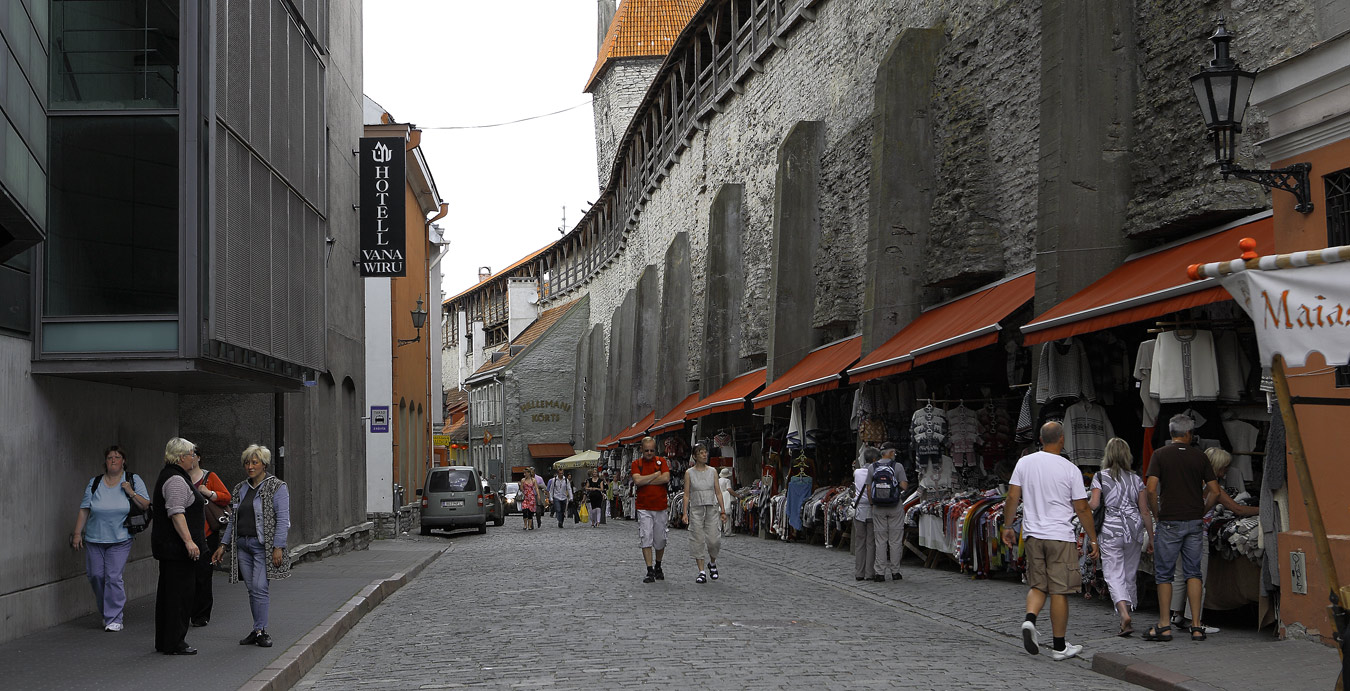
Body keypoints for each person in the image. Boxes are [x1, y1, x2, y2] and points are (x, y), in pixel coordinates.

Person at [1002, 421, 1099, 661]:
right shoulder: (1070, 469)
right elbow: (1082, 508)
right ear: (1062, 439)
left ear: (1041, 439)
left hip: (1033, 534)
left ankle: (1030, 620)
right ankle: (1059, 646)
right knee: (1059, 590)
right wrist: (1093, 539)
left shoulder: (1025, 462)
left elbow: (1013, 496)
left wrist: (1007, 526)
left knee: (1038, 585)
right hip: (1060, 536)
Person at [1145, 414, 1222, 643]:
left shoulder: (1159, 455)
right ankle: (1197, 626)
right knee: (1193, 573)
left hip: (1169, 520)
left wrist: (1157, 512)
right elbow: (1215, 491)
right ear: (1189, 434)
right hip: (1193, 521)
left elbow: (1150, 489)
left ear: (1171, 433)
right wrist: (1202, 509)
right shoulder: (1199, 457)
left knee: (1165, 574)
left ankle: (1164, 625)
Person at [1168, 447, 1259, 634]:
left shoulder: (1188, 481)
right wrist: (1263, 510)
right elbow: (1238, 510)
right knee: (1197, 578)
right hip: (1196, 535)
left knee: (1179, 575)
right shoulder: (1214, 487)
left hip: (1177, 532)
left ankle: (1176, 614)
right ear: (1217, 467)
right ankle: (1195, 621)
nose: (1226, 471)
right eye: (1224, 467)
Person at [212, 444, 291, 649]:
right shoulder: (240, 488)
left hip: (262, 546)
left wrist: (278, 546)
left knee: (259, 588)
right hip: (242, 546)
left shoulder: (277, 487)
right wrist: (223, 545)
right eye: (247, 462)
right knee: (252, 589)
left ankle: (261, 631)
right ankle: (257, 629)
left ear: (264, 464)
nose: (250, 466)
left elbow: (282, 519)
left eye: (255, 462)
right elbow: (233, 520)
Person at [71, 445, 151, 632]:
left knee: (113, 577)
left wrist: (130, 491)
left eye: (117, 457)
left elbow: (146, 504)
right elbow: (85, 509)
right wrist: (77, 534)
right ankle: (106, 612)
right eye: (109, 457)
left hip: (121, 538)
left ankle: (114, 617)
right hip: (94, 538)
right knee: (96, 576)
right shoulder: (95, 482)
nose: (113, 460)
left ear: (123, 461)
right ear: (105, 462)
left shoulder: (132, 479)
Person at [1088, 438, 1153, 637]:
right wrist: (1150, 537)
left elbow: (1095, 504)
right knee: (1129, 572)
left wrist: (1079, 504)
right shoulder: (1136, 480)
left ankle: (1124, 614)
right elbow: (1145, 512)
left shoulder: (1100, 477)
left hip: (1111, 529)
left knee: (1113, 572)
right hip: (1133, 529)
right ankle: (1128, 612)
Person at [152, 438, 207, 655]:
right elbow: (176, 512)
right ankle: (175, 641)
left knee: (170, 595)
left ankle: (166, 640)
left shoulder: (172, 475)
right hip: (176, 551)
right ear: (182, 457)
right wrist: (189, 541)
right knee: (179, 597)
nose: (194, 458)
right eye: (192, 454)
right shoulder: (175, 479)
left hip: (171, 550)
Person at [188, 452, 231, 628]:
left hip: (206, 534)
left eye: (192, 455)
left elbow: (226, 497)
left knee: (203, 575)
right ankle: (187, 610)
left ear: (199, 457)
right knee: (188, 576)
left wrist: (209, 493)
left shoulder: (209, 477)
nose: (189, 458)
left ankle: (202, 614)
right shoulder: (180, 477)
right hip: (186, 535)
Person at [681, 444, 727, 583]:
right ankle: (701, 571)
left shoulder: (712, 471)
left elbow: (718, 491)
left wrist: (723, 510)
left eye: (705, 452)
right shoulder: (689, 473)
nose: (704, 455)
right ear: (695, 456)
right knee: (697, 538)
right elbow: (686, 494)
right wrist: (684, 512)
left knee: (714, 539)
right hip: (696, 508)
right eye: (701, 453)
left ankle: (712, 562)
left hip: (711, 508)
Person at [868, 442, 910, 582]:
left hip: (878, 507)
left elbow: (869, 489)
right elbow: (904, 486)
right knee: (895, 541)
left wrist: (872, 503)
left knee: (880, 541)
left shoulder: (872, 467)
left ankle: (880, 573)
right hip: (895, 506)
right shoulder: (897, 466)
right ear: (891, 453)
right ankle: (895, 572)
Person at [631, 437, 671, 583]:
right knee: (646, 537)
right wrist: (655, 475)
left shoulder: (662, 461)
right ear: (641, 449)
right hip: (644, 507)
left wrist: (645, 480)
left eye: (652, 450)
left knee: (660, 540)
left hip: (660, 506)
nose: (649, 453)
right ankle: (649, 570)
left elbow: (666, 478)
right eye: (646, 450)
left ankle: (658, 565)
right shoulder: (637, 464)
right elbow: (637, 481)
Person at [851, 447, 879, 582]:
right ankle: (869, 573)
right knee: (871, 542)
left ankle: (859, 573)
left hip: (859, 509)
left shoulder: (857, 472)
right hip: (872, 508)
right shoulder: (877, 472)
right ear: (874, 459)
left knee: (860, 542)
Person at [718, 468, 734, 537]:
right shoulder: (727, 481)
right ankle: (727, 531)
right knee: (727, 515)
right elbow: (729, 489)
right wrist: (736, 495)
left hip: (718, 497)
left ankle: (717, 532)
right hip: (725, 497)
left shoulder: (718, 480)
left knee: (718, 516)